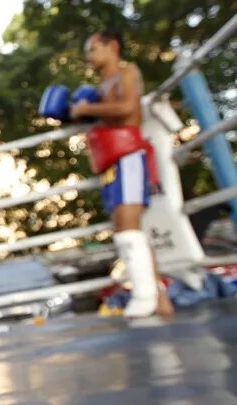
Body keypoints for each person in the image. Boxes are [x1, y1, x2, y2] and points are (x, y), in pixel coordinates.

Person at [71, 30, 175, 318]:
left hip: (129, 156)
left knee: (129, 232)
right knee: (128, 233)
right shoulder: (101, 86)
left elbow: (129, 107)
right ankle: (159, 298)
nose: (88, 56)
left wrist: (89, 107)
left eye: (92, 49)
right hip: (112, 162)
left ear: (111, 46)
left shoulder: (127, 72)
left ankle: (145, 298)